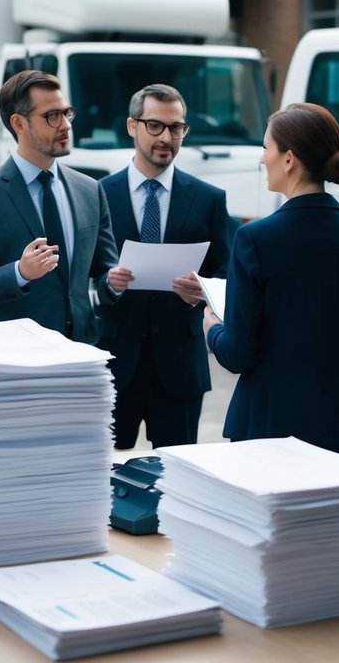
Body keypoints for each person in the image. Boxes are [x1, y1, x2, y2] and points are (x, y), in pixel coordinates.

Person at [203, 104, 339, 455]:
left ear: (288, 159)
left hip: (269, 423)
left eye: (265, 148)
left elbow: (238, 354)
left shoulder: (255, 239)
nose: (262, 159)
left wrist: (213, 328)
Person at [97, 84, 231, 449]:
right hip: (113, 361)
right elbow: (82, 273)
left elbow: (226, 272)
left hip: (180, 365)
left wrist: (201, 291)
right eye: (155, 126)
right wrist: (106, 283)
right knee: (103, 476)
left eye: (176, 128)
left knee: (176, 478)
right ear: (131, 126)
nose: (166, 137)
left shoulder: (209, 199)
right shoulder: (97, 194)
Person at [0, 70, 127, 341]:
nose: (66, 125)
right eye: (51, 116)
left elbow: (104, 270)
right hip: (15, 353)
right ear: (19, 124)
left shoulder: (90, 189)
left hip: (81, 348)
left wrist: (115, 282)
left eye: (66, 112)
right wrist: (20, 272)